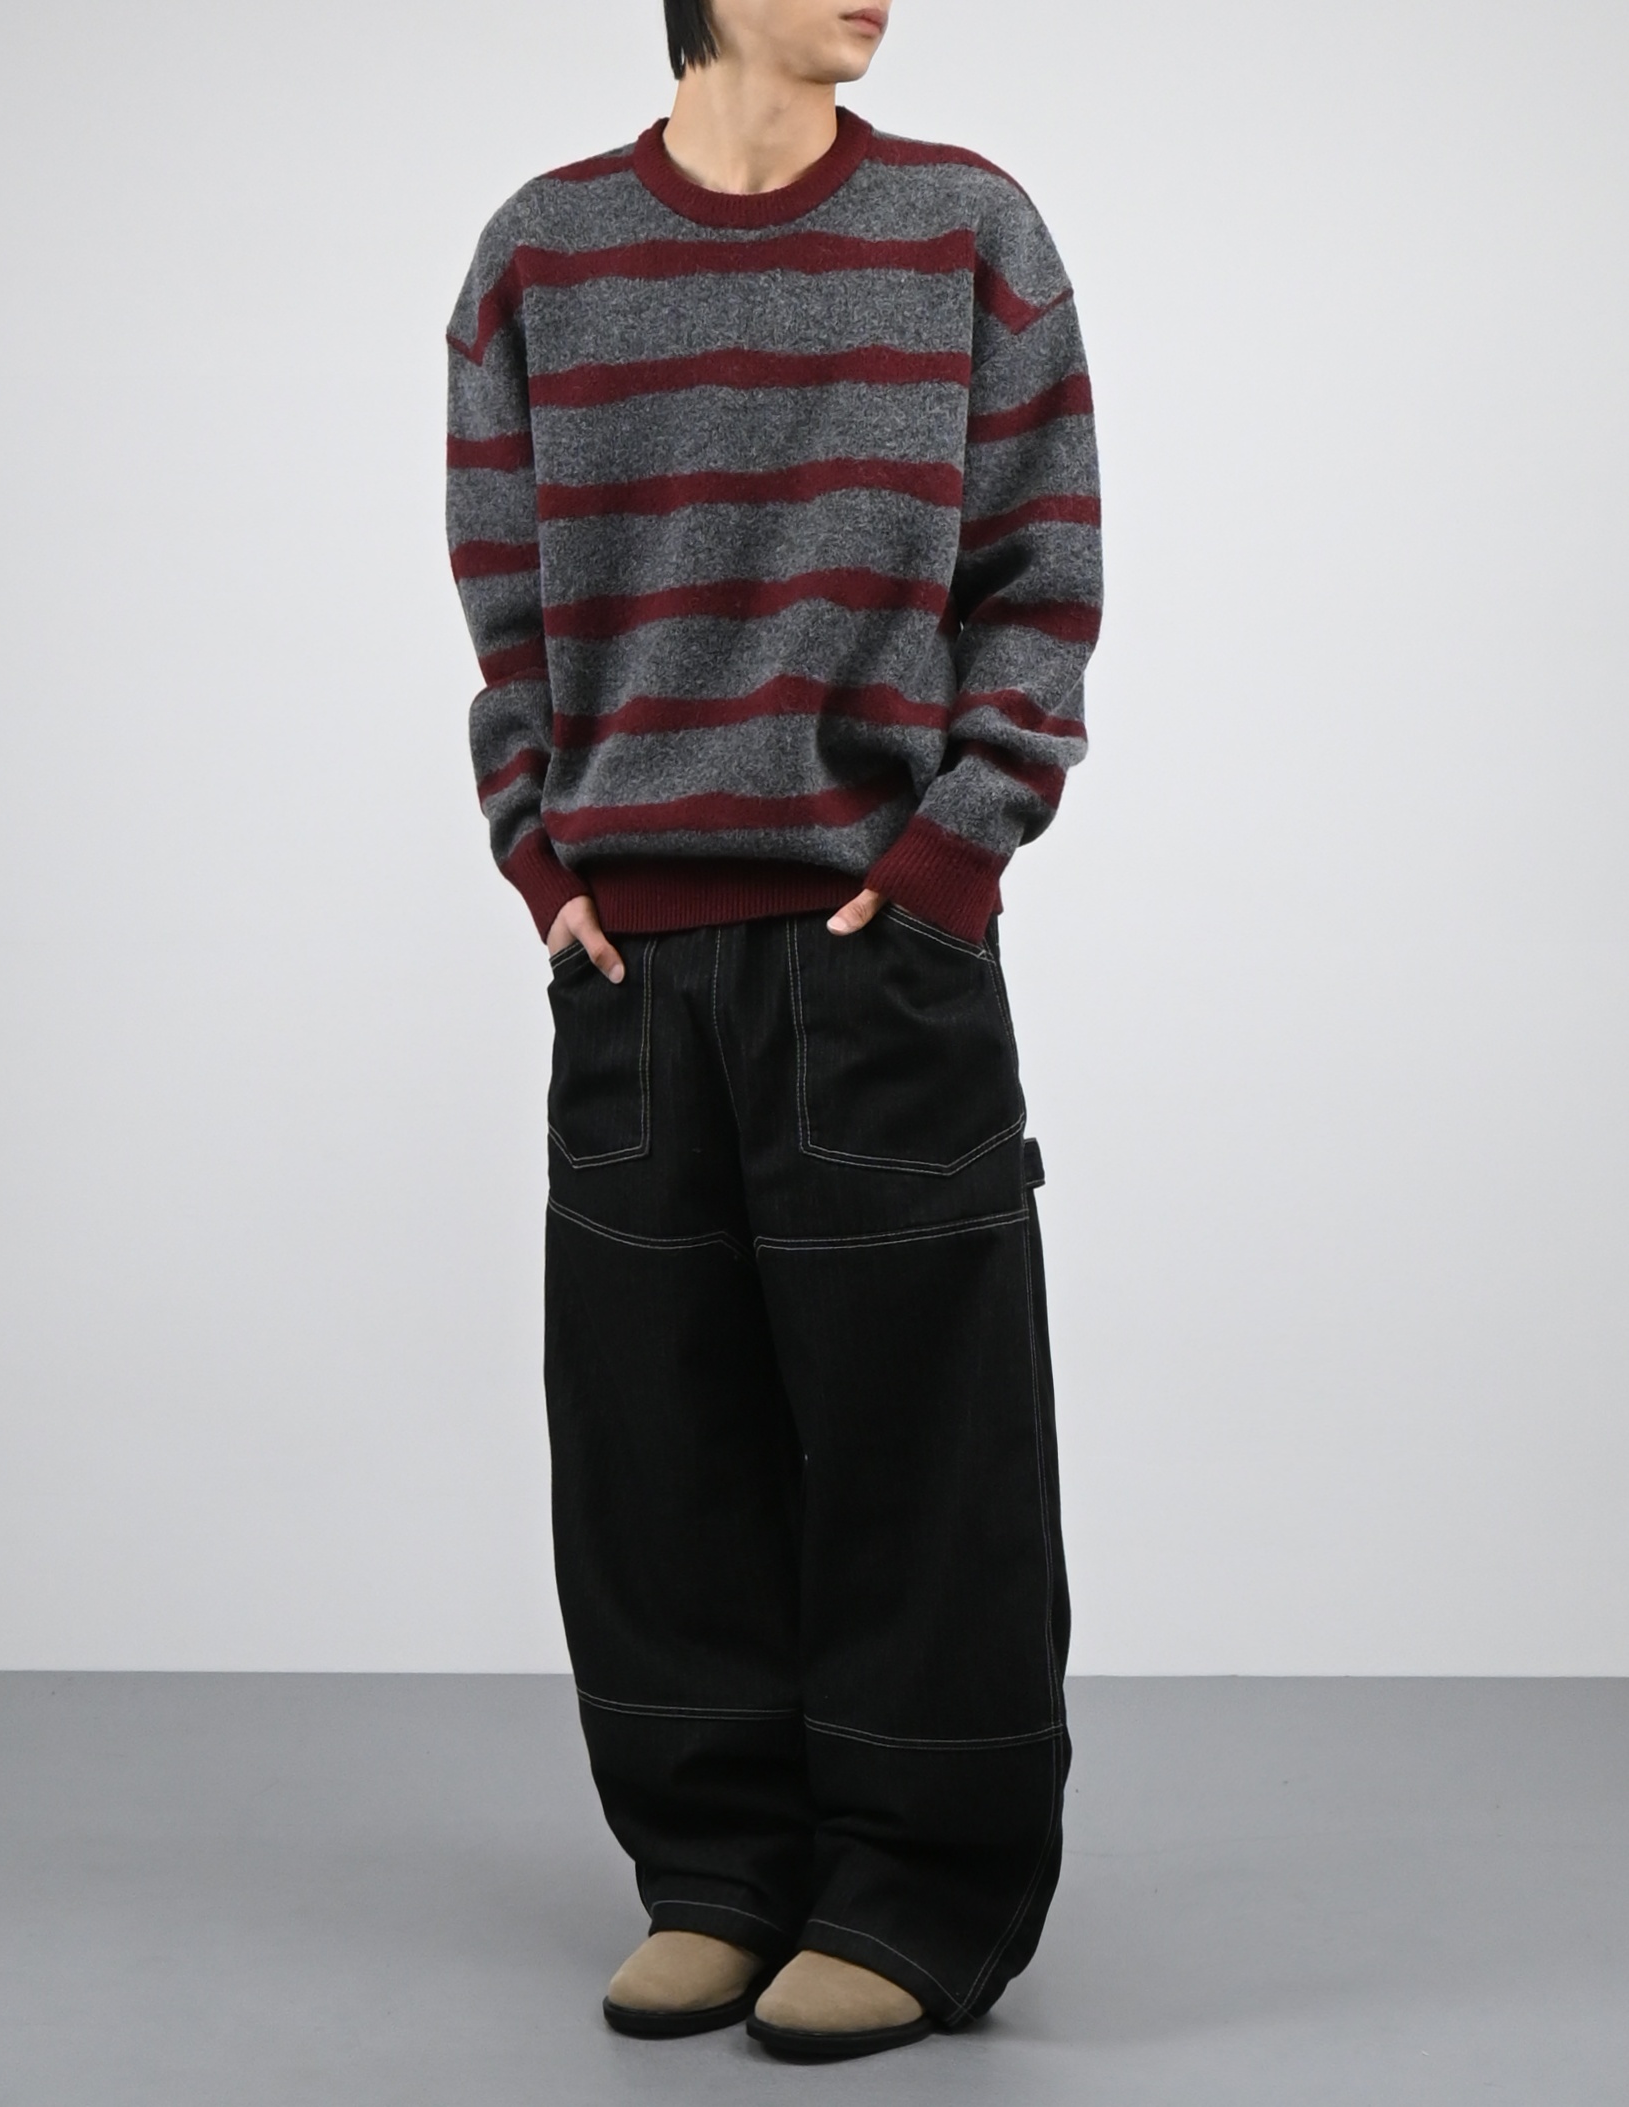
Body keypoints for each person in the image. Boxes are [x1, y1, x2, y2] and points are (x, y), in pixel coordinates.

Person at [445, 0, 1101, 2063]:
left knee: (924, 1441)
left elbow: (1041, 572)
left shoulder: (965, 231)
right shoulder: (542, 251)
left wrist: (951, 854)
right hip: (630, 970)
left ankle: (921, 1889)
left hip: (873, 949)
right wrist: (538, 855)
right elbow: (501, 595)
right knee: (657, 1444)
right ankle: (717, 1871)